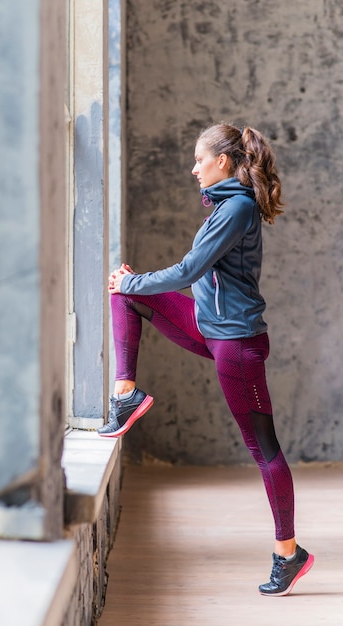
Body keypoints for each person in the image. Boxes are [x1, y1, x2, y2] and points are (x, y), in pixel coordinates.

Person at [97, 122, 314, 596]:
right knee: (125, 293)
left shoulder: (235, 208)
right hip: (209, 326)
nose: (193, 168)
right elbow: (192, 275)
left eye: (199, 160)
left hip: (236, 345)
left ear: (223, 162)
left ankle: (289, 552)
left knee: (264, 448)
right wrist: (132, 285)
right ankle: (126, 395)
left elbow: (190, 269)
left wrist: (136, 282)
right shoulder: (225, 204)